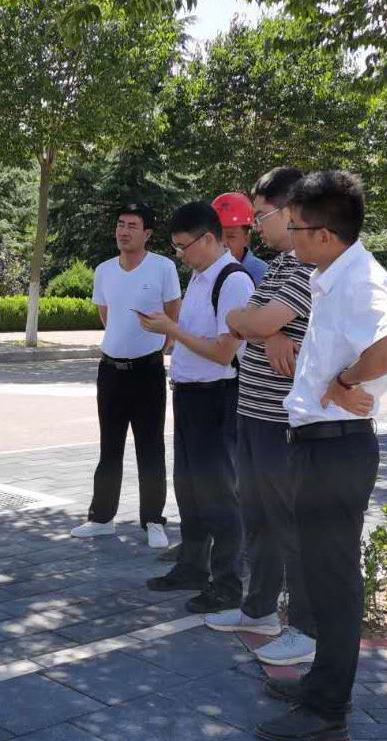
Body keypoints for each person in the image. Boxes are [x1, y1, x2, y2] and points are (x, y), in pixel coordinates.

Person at [253, 170, 387, 741]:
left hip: (337, 449)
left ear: (323, 234)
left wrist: (346, 379)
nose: (289, 236)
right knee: (321, 580)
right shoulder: (331, 277)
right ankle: (320, 682)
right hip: (318, 446)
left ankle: (327, 707)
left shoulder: (360, 281)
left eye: (295, 226)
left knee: (335, 582)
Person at [206, 166, 318, 667]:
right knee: (257, 516)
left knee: (289, 523)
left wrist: (263, 325)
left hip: (282, 417)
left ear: (292, 210)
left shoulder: (310, 268)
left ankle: (305, 628)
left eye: (262, 214)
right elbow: (237, 319)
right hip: (251, 409)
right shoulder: (277, 267)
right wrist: (266, 330)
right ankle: (259, 610)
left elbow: (255, 319)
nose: (256, 223)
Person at [135, 203, 253, 615]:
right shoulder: (201, 276)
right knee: (188, 489)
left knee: (218, 493)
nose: (181, 255)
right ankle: (192, 567)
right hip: (189, 396)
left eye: (184, 246)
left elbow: (223, 353)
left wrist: (171, 329)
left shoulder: (233, 281)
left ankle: (227, 583)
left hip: (216, 398)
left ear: (208, 238)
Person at [69, 203, 180, 549]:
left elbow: (173, 314)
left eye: (132, 226)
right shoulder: (104, 270)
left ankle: (153, 520)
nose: (124, 231)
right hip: (111, 370)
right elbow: (107, 316)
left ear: (147, 233)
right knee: (109, 447)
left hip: (147, 370)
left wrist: (160, 347)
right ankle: (101, 518)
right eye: (120, 224)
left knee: (150, 447)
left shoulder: (163, 267)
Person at [213, 192, 268, 286]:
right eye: (218, 236)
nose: (223, 243)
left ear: (246, 238)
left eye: (231, 236)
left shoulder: (261, 274)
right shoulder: (205, 271)